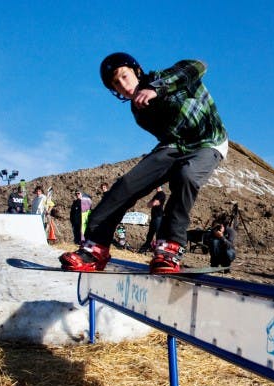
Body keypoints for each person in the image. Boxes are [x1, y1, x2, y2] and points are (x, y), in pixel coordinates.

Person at [60, 52, 229, 274]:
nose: (123, 85)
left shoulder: (166, 76)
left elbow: (198, 65)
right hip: (174, 145)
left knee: (186, 176)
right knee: (127, 184)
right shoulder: (139, 112)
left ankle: (169, 248)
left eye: (124, 76)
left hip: (209, 142)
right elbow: (167, 137)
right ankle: (95, 248)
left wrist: (157, 88)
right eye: (116, 84)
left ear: (137, 71)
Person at [140, 186, 166, 252]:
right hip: (155, 217)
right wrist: (153, 203)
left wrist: (153, 202)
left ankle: (160, 250)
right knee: (150, 233)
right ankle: (147, 247)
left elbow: (153, 204)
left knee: (158, 234)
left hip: (158, 217)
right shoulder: (157, 194)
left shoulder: (161, 194)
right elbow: (148, 205)